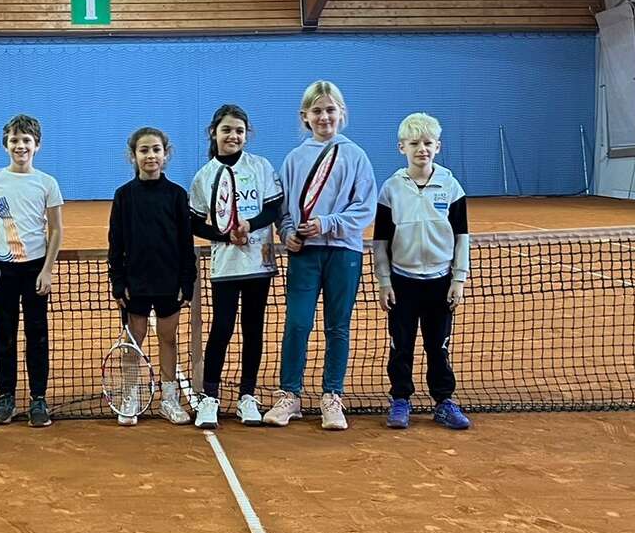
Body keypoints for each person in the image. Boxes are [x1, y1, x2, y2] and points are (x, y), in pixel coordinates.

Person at [267, 81, 377, 432]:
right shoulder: (294, 159)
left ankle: (332, 396)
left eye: (330, 109)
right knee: (297, 322)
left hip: (344, 253)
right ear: (305, 116)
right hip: (305, 255)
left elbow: (365, 208)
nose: (324, 116)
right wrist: (287, 233)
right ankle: (290, 395)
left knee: (337, 326)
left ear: (341, 113)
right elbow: (283, 209)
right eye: (317, 111)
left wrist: (328, 223)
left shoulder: (356, 156)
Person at [185, 104, 283, 430]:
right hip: (225, 265)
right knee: (222, 327)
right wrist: (225, 235)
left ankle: (247, 397)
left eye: (239, 131)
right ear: (214, 133)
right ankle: (210, 398)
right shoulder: (204, 176)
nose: (233, 136)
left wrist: (249, 225)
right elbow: (194, 222)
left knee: (253, 328)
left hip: (259, 262)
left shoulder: (260, 166)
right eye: (227, 130)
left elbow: (273, 208)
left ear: (246, 134)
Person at [373, 112, 471, 431]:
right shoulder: (391, 189)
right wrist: (384, 281)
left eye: (428, 143)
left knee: (438, 346)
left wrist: (458, 278)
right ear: (401, 147)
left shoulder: (451, 186)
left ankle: (443, 401)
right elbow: (381, 241)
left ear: (437, 146)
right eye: (414, 143)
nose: (422, 149)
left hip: (440, 283)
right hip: (402, 283)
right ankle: (400, 399)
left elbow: (462, 237)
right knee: (400, 346)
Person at [0, 113, 64, 427]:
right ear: (6, 145)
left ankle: (38, 398)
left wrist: (47, 270)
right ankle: (6, 398)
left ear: (37, 145)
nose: (20, 146)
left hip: (35, 269)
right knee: (4, 334)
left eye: (26, 140)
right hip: (3, 270)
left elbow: (56, 229)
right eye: (14, 140)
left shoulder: (47, 183)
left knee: (37, 334)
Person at [106, 127, 196, 425]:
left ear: (165, 154)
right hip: (136, 284)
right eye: (143, 150)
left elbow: (186, 244)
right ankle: (130, 396)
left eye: (156, 149)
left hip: (169, 282)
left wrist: (187, 281)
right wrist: (118, 281)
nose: (150, 155)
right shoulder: (124, 196)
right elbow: (116, 243)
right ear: (133, 155)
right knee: (133, 341)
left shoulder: (177, 195)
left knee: (168, 339)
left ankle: (169, 399)